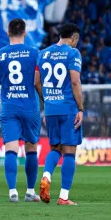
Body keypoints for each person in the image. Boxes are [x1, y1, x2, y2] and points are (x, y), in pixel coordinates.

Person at [0, 19, 43, 203]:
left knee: (11, 149)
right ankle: (30, 191)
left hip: (9, 107)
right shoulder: (35, 53)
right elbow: (38, 82)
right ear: (25, 33)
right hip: (30, 107)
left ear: (8, 33)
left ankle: (12, 192)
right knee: (31, 148)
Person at [35, 23, 83, 206]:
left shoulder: (43, 54)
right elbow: (75, 81)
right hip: (69, 108)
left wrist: (48, 102)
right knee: (69, 152)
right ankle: (63, 197)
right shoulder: (73, 53)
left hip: (51, 109)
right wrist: (81, 109)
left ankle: (46, 176)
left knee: (55, 148)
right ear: (74, 38)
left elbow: (36, 83)